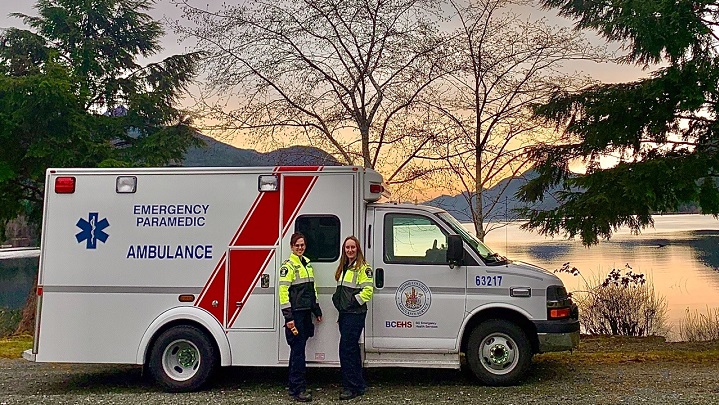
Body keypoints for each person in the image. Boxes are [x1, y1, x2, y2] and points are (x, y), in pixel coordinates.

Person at [279, 232, 322, 402]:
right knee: (298, 352)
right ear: (291, 246)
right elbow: (283, 293)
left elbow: (312, 290)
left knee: (299, 350)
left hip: (305, 314)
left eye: (302, 245)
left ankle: (294, 386)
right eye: (297, 245)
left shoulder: (306, 264)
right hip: (295, 315)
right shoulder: (288, 266)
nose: (300, 248)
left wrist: (316, 310)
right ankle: (298, 390)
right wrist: (289, 318)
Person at [332, 236, 373, 400]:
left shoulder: (363, 268)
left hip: (355, 314)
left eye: (353, 247)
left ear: (358, 249)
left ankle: (350, 387)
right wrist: (339, 303)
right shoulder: (344, 267)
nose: (350, 250)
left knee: (346, 350)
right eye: (347, 248)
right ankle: (359, 384)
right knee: (353, 350)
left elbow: (368, 291)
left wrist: (350, 304)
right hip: (346, 315)